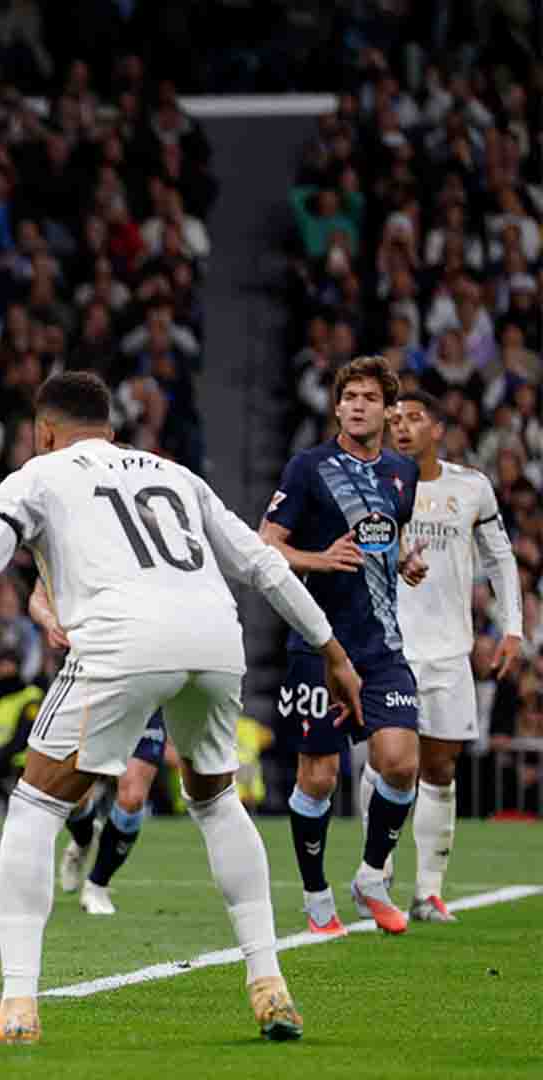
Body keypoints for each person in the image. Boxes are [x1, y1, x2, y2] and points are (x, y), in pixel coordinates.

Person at [0, 371, 361, 1044]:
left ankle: (17, 1006)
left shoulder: (38, 475)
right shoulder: (173, 473)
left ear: (44, 432)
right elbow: (262, 565)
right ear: (111, 428)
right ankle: (269, 980)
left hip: (124, 640)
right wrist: (332, 650)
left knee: (37, 805)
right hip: (215, 636)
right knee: (216, 801)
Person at [259, 356, 427, 937]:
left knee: (402, 763)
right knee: (319, 777)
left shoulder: (402, 473)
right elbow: (266, 545)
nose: (358, 405)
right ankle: (315, 894)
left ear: (386, 410)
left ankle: (372, 878)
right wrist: (319, 559)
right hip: (316, 643)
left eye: (369, 398)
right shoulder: (308, 468)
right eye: (349, 396)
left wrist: (404, 561)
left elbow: (387, 535)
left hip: (380, 645)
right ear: (336, 406)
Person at [390, 390, 524, 921]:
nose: (402, 427)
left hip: (449, 653)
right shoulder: (373, 484)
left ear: (438, 429)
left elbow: (501, 558)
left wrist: (512, 628)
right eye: (395, 419)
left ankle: (427, 891)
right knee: (391, 762)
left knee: (440, 770)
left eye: (414, 419)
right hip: (390, 648)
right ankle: (375, 877)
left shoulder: (471, 487)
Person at [38, 584, 167, 917]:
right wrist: (50, 619)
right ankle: (83, 840)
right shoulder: (78, 541)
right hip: (90, 681)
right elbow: (38, 596)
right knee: (74, 794)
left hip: (144, 684)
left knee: (133, 794)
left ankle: (97, 884)